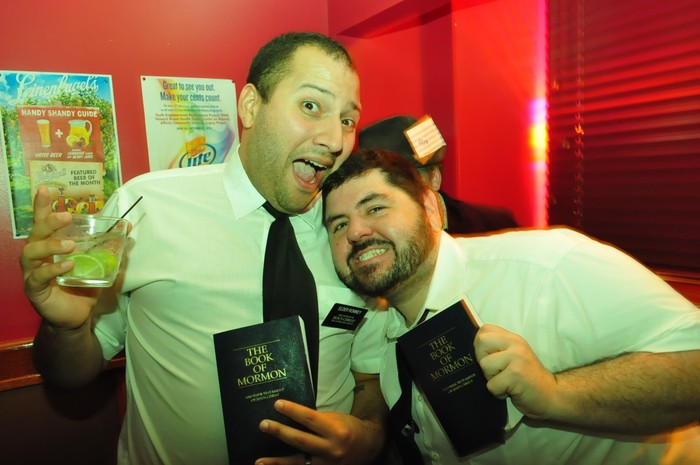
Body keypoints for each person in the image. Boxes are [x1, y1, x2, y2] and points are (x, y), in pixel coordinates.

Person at [20, 32, 389, 465]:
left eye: (348, 120)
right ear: (250, 106)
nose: (335, 139)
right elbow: (70, 375)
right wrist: (65, 329)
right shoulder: (145, 209)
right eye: (311, 106)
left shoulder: (356, 236)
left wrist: (368, 437)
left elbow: (370, 380)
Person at [321, 148, 700, 465]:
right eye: (338, 225)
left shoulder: (546, 267)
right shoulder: (385, 341)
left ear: (431, 209)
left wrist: (556, 394)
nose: (355, 232)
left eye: (375, 208)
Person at [358, 115, 518, 234]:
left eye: (404, 178)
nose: (392, 189)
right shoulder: (365, 233)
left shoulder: (493, 227)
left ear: (434, 178)